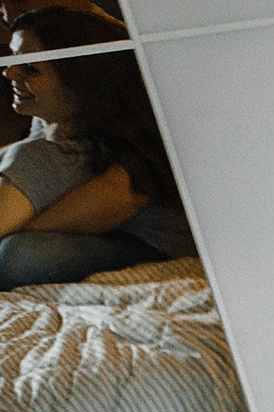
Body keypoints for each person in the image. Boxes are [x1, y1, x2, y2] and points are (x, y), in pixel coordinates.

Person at [1, 7, 198, 288]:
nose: (8, 72)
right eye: (11, 59)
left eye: (30, 68)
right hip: (106, 231)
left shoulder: (74, 154)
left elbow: (120, 196)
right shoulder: (53, 119)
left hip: (155, 245)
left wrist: (18, 224)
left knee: (19, 254)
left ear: (78, 81)